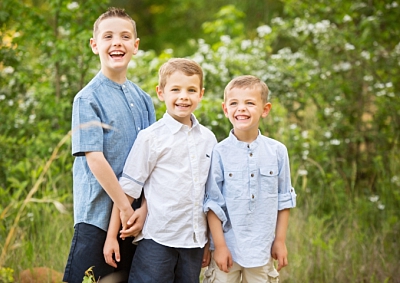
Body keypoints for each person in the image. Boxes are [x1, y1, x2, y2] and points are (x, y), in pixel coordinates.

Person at [64, 7, 156, 283]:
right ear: (95, 45)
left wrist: (142, 210)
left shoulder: (143, 99)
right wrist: (125, 209)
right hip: (97, 216)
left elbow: (153, 163)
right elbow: (95, 159)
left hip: (136, 220)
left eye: (125, 36)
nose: (117, 42)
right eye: (108, 37)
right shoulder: (87, 98)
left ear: (135, 46)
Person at [116, 58, 218, 283]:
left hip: (194, 240)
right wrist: (111, 237)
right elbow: (128, 189)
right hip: (158, 239)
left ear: (201, 94)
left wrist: (209, 242)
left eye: (191, 90)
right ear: (161, 92)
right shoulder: (151, 137)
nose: (184, 96)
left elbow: (211, 195)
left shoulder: (209, 139)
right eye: (175, 89)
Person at [203, 75, 296, 282]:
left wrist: (279, 241)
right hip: (227, 248)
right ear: (225, 109)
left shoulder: (277, 151)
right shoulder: (219, 152)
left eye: (250, 103)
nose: (241, 108)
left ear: (265, 109)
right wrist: (219, 246)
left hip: (262, 250)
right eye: (234, 103)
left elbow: (284, 200)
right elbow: (212, 204)